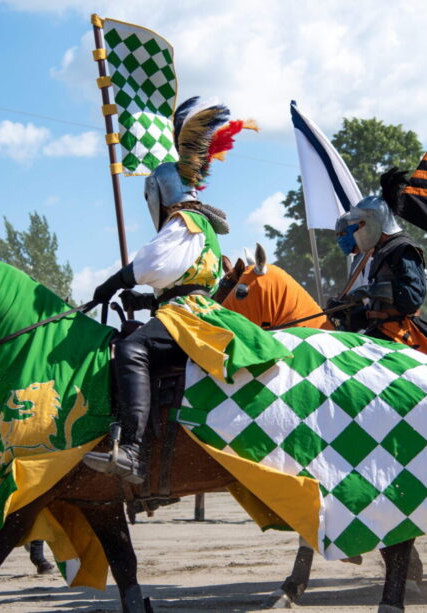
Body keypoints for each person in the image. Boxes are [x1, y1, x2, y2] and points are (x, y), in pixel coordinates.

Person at [83, 98, 288, 484]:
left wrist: (113, 283)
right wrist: (146, 299)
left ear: (159, 194)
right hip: (190, 307)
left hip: (189, 316)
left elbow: (154, 265)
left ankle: (132, 451)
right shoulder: (201, 223)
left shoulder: (185, 219)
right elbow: (188, 279)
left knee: (132, 349)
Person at [326, 170, 427, 370]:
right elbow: (379, 307)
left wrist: (367, 291)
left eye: (360, 224)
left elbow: (412, 296)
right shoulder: (380, 252)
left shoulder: (403, 248)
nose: (357, 231)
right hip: (381, 331)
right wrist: (349, 311)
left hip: (399, 332)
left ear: (375, 222)